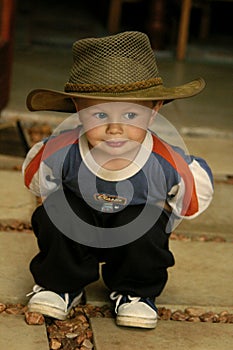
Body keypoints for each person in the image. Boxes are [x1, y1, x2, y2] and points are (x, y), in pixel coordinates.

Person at [23, 31, 213, 329]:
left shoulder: (164, 160)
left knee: (149, 222)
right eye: (99, 114)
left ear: (153, 112)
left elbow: (193, 191)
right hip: (79, 226)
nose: (115, 128)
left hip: (132, 231)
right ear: (78, 109)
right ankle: (61, 282)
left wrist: (172, 206)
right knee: (55, 211)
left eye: (129, 114)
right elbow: (39, 175)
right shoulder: (63, 150)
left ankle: (135, 291)